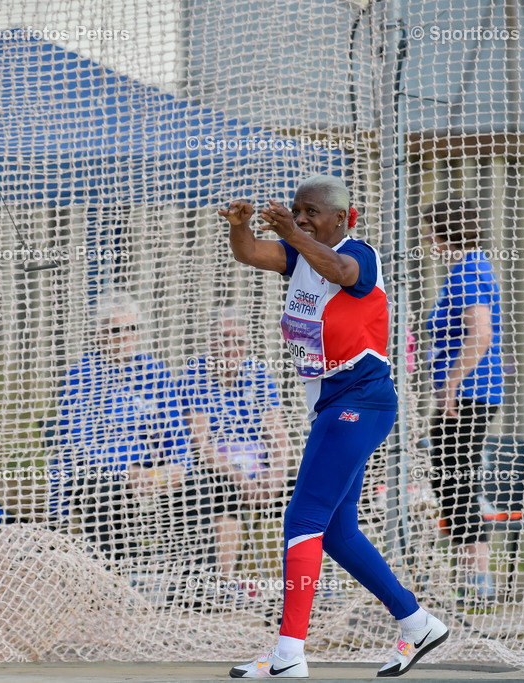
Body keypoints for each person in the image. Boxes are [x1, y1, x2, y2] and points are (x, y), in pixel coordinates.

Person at [220, 175, 447, 679]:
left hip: (360, 403)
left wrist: (295, 236)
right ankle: (416, 622)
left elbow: (343, 273)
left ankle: (288, 655)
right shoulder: (299, 254)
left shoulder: (360, 253)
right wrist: (239, 227)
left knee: (302, 521)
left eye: (311, 213)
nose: (300, 220)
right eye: (295, 212)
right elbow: (250, 253)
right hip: (333, 406)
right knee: (338, 533)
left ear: (345, 218)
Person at [53, 290, 214, 568]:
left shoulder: (154, 371)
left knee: (196, 487)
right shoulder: (81, 376)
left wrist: (177, 466)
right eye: (116, 329)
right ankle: (112, 577)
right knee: (104, 489)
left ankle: (193, 584)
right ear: (99, 334)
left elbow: (175, 430)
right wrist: (126, 471)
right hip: (102, 471)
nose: (126, 335)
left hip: (152, 471)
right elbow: (77, 446)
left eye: (132, 328)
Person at [422, 197, 505, 608]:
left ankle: (478, 576)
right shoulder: (463, 269)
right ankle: (467, 572)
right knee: (448, 478)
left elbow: (481, 334)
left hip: (470, 394)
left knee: (456, 480)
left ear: (444, 232)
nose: (426, 238)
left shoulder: (470, 270)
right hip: (464, 393)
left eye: (430, 229)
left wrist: (453, 383)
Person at [177, 307, 292, 579]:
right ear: (211, 342)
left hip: (260, 473)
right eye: (224, 339)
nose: (231, 347)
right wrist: (241, 479)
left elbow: (277, 433)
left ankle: (306, 583)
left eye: (238, 340)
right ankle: (225, 584)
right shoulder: (194, 377)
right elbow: (202, 446)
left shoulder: (259, 375)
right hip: (220, 471)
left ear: (247, 344)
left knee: (307, 494)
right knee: (225, 496)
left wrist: (275, 475)